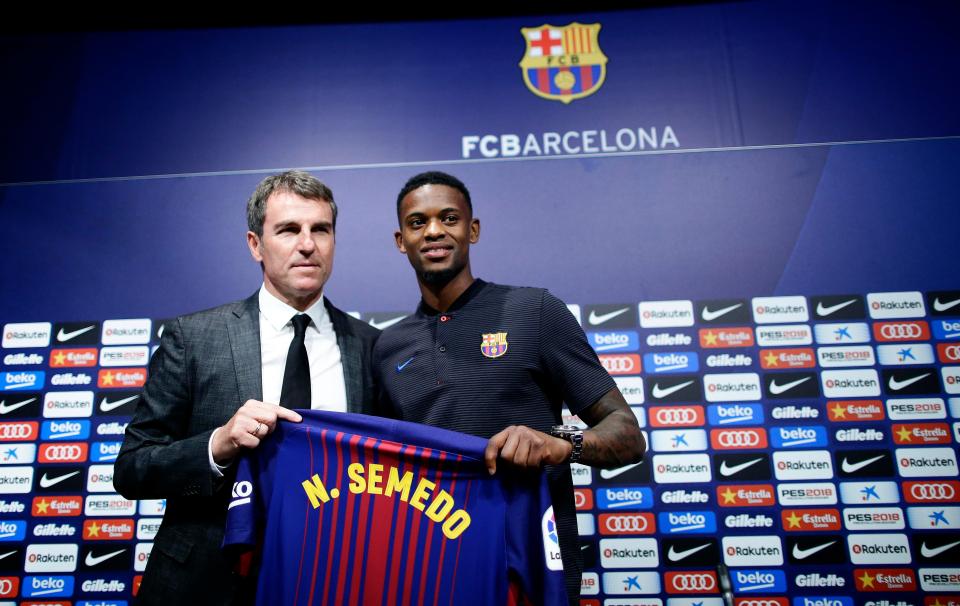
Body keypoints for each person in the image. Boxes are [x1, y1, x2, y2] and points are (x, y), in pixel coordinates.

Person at [373, 171, 646, 604]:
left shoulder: (535, 311)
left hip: (534, 568)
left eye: (449, 218)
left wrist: (560, 444)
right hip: (431, 571)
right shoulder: (387, 347)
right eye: (417, 222)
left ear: (473, 229)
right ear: (400, 240)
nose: (434, 231)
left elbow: (628, 435)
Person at [114, 170, 379, 606]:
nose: (308, 244)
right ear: (255, 244)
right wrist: (218, 445)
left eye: (321, 230)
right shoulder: (195, 338)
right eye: (289, 229)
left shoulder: (369, 347)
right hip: (206, 584)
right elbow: (131, 469)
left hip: (331, 578)